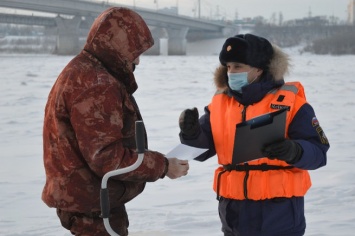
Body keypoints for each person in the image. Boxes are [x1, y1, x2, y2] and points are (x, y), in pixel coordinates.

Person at [42, 7, 189, 236]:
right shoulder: (96, 84)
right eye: (135, 51)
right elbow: (108, 159)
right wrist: (163, 166)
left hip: (88, 200)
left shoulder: (83, 71)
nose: (138, 61)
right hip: (92, 205)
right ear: (117, 45)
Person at [179, 34, 329, 236]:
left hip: (279, 215)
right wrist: (191, 133)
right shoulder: (220, 103)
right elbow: (201, 151)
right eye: (228, 66)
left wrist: (294, 151)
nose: (231, 72)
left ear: (258, 68)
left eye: (238, 66)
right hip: (233, 214)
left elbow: (319, 153)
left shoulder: (291, 102)